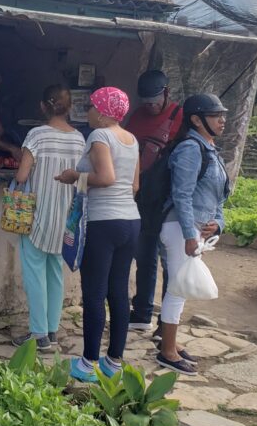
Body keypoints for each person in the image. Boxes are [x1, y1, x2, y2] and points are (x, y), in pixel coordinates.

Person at [54, 87, 140, 382]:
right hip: (130, 220)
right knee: (118, 291)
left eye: (91, 107)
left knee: (94, 293)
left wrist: (73, 177)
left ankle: (88, 363)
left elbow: (106, 178)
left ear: (103, 113)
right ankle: (114, 361)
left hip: (104, 223)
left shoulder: (100, 136)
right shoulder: (131, 139)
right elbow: (134, 186)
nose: (87, 112)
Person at [157, 93, 230, 376]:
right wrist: (190, 235)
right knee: (177, 289)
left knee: (180, 289)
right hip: (179, 227)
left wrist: (218, 224)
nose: (222, 120)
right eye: (216, 115)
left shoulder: (210, 149)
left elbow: (219, 196)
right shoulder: (190, 149)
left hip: (195, 228)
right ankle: (167, 352)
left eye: (223, 114)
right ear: (197, 120)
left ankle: (170, 343)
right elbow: (182, 195)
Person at [11, 84, 86, 353]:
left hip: (36, 215)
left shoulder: (37, 135)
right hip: (65, 217)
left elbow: (21, 176)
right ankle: (52, 331)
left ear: (43, 106)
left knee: (34, 273)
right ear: (69, 108)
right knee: (55, 273)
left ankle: (39, 335)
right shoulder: (79, 139)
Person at [125, 70, 183, 333]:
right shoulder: (136, 116)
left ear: (166, 94)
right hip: (141, 196)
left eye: (154, 101)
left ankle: (167, 321)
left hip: (167, 198)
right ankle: (141, 313)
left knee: (170, 261)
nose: (149, 106)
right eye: (145, 101)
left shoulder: (179, 116)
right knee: (144, 255)